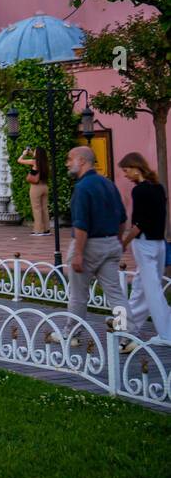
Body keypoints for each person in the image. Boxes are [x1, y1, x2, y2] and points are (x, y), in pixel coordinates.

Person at [52, 146, 129, 343]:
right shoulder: (108, 184)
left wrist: (78, 253)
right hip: (111, 243)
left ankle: (72, 334)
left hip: (89, 246)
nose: (67, 163)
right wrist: (118, 241)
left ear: (82, 161)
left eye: (70, 159)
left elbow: (81, 225)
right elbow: (122, 218)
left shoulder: (82, 188)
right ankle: (127, 336)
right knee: (116, 294)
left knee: (78, 294)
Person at [119, 152, 170, 351]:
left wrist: (124, 242)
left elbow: (139, 223)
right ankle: (127, 331)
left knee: (151, 290)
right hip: (159, 243)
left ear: (135, 167)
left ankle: (167, 333)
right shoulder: (158, 188)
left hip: (144, 243)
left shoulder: (139, 191)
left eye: (126, 171)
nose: (125, 175)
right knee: (141, 287)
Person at [17, 146, 51, 235]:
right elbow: (37, 159)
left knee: (36, 209)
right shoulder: (46, 163)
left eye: (35, 152)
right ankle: (46, 229)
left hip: (36, 187)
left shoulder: (34, 162)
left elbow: (19, 160)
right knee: (44, 208)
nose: (34, 153)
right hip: (45, 187)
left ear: (38, 154)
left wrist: (23, 154)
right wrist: (32, 153)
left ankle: (38, 230)